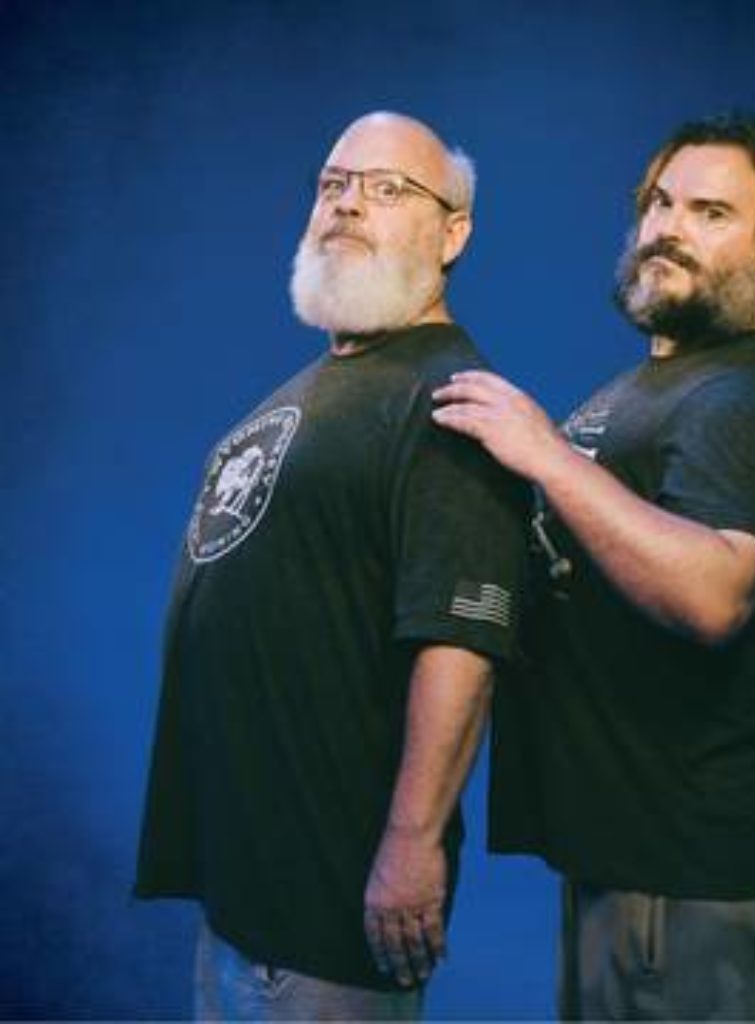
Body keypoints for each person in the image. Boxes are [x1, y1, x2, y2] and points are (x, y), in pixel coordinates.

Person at [432, 111, 755, 1020]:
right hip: (621, 860)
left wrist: (545, 455)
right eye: (659, 203)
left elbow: (714, 594)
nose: (668, 227)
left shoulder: (743, 396)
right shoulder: (650, 388)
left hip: (688, 873)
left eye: (711, 213)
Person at [135, 111, 527, 1021]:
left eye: (388, 189)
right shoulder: (317, 388)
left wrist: (413, 843)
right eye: (333, 185)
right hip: (242, 905)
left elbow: (461, 644)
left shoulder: (451, 401)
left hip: (330, 918)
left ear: (453, 234)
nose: (348, 204)